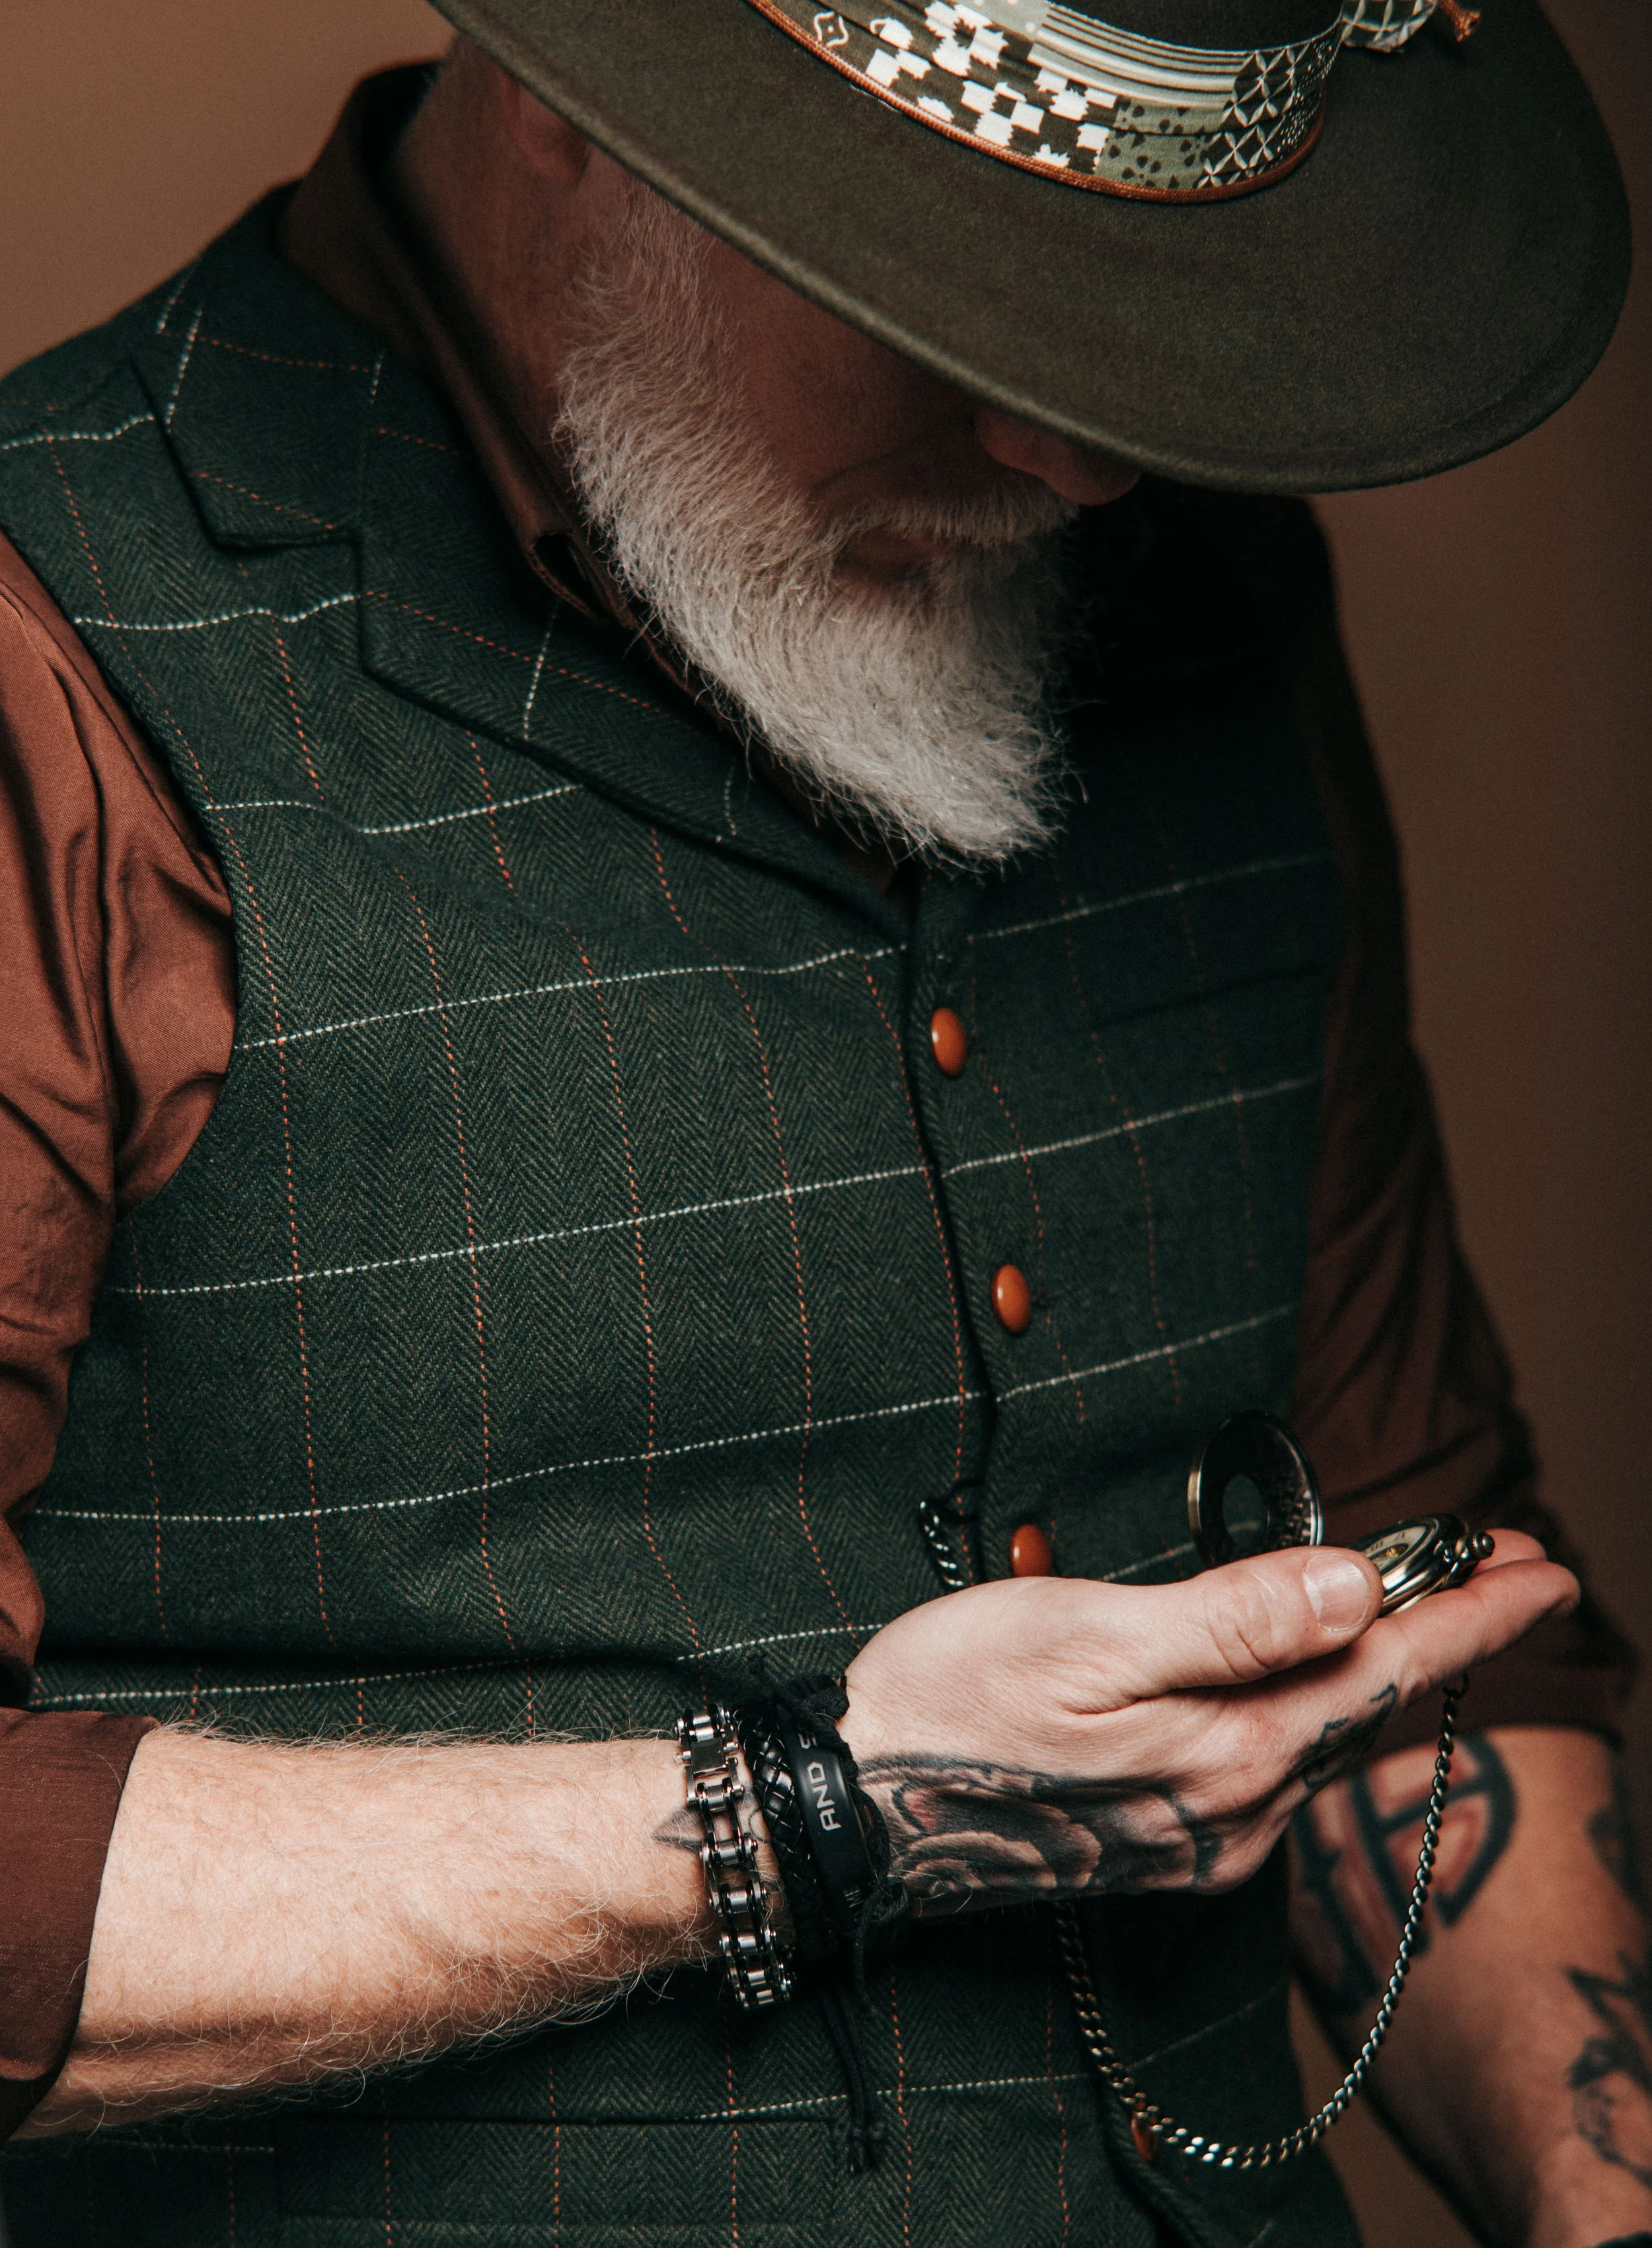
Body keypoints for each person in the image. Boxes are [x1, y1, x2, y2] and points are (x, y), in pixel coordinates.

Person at [0, 3, 1643, 2243]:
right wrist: (807, 1811)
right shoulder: (50, 656)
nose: (1067, 455)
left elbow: (1415, 1552)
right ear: (589, 110)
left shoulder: (1207, 596)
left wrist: (1590, 2181)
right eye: (940, 288)